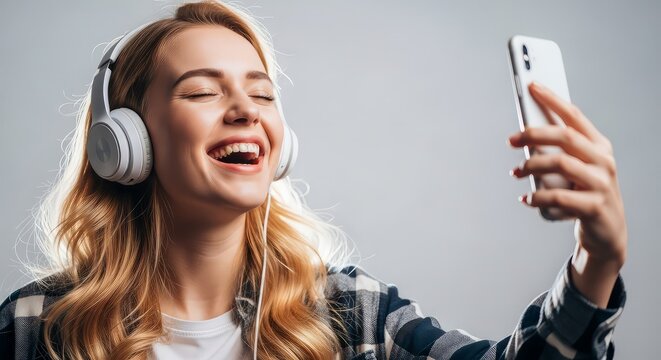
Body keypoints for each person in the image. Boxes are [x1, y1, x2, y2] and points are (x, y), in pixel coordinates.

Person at [0, 1, 627, 359]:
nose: (245, 110)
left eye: (262, 93)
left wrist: (594, 260)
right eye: (201, 91)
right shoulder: (32, 327)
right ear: (127, 143)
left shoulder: (353, 316)